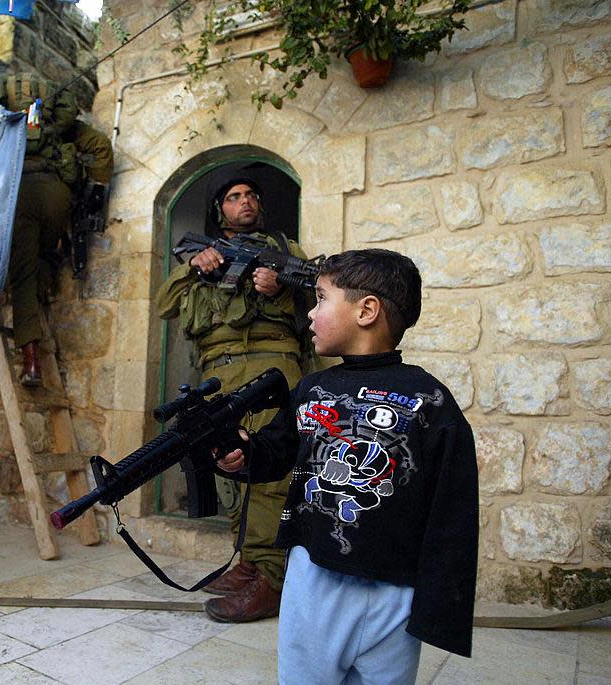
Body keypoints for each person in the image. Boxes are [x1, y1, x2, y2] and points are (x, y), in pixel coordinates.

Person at [216, 249, 478, 684]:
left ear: (366, 310)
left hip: (395, 593)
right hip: (313, 581)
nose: (311, 315)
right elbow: (273, 453)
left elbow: (453, 511)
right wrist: (239, 455)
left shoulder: (429, 400)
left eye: (320, 299)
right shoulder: (312, 388)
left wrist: (438, 607)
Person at [154, 175, 314, 622]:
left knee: (272, 474)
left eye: (251, 195)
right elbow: (164, 304)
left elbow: (319, 297)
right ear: (218, 209)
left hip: (271, 368)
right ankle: (247, 560)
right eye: (233, 197)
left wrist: (281, 288)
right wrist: (196, 266)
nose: (245, 202)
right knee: (230, 468)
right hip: (218, 375)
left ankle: (272, 577)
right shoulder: (204, 254)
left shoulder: (286, 248)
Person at [0, 74, 113, 386]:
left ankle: (31, 362)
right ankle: (46, 277)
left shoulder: (3, 128)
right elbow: (101, 146)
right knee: (43, 255)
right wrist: (95, 191)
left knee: (23, 277)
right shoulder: (60, 127)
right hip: (59, 198)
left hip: (22, 198)